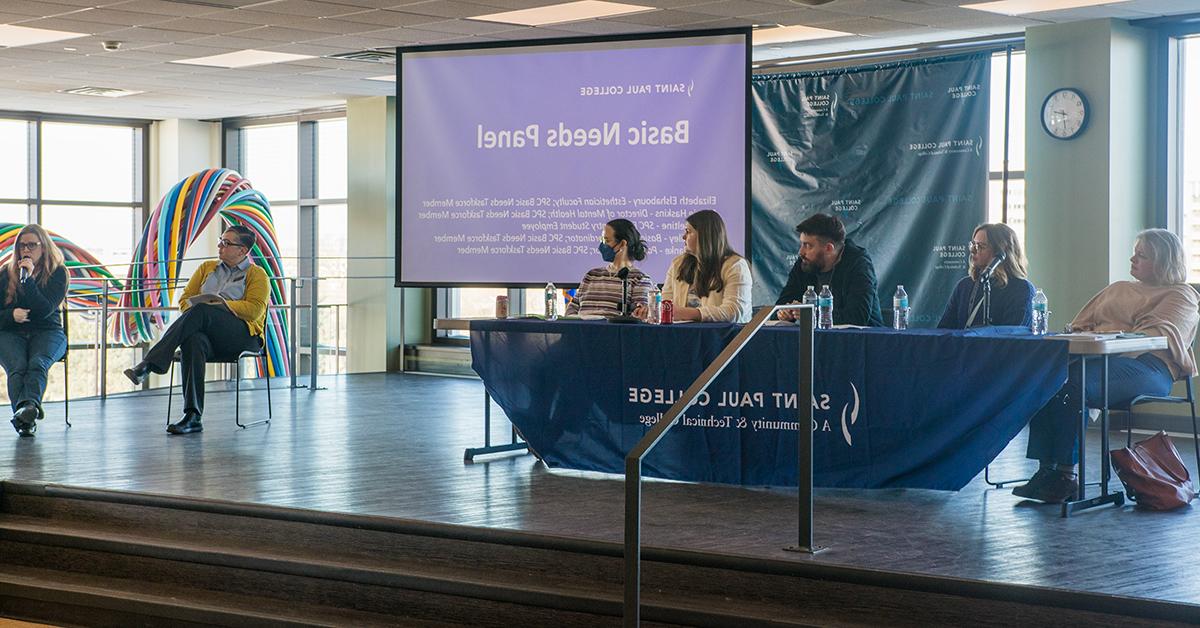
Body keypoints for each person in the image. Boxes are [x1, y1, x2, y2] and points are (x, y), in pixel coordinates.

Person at [1013, 229, 1199, 503]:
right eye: (1134, 252)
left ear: (1163, 261)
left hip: (1152, 368)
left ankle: (1066, 476)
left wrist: (1112, 332)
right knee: (1051, 379)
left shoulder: (1181, 295)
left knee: (1074, 384)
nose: (1132, 259)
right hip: (1103, 361)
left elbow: (1156, 337)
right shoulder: (1118, 289)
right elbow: (1080, 325)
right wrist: (1115, 332)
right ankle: (1046, 471)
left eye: (1142, 255)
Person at [124, 225, 268, 435]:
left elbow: (254, 310)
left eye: (227, 243)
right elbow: (184, 301)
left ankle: (149, 363)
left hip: (242, 336)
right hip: (209, 334)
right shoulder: (206, 268)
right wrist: (205, 308)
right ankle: (193, 417)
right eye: (221, 240)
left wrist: (222, 306)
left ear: (242, 251)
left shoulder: (257, 274)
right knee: (193, 340)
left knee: (201, 310)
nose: (220, 245)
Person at [0, 225, 68, 437]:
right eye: (22, 246)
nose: (26, 250)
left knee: (38, 363)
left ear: (44, 247)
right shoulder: (4, 273)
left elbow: (44, 310)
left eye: (32, 245)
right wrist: (11, 315)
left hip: (48, 331)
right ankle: (26, 416)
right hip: (11, 331)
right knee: (17, 366)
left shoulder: (58, 273)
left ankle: (26, 413)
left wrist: (27, 279)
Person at [776, 213, 883, 326]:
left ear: (828, 248)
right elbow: (780, 305)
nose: (801, 252)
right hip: (815, 338)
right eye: (802, 244)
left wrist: (811, 315)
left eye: (807, 245)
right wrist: (785, 313)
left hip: (862, 339)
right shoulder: (805, 262)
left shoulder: (859, 264)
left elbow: (857, 317)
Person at [653, 210, 751, 323]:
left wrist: (686, 313)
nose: (683, 237)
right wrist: (653, 310)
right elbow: (666, 302)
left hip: (724, 337)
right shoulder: (678, 264)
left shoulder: (735, 265)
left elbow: (734, 311)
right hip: (681, 334)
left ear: (704, 235)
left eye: (688, 231)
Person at [938, 223, 1035, 329]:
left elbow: (1013, 338)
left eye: (980, 246)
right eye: (973, 245)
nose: (973, 251)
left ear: (1001, 253)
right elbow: (943, 332)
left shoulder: (1022, 289)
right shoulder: (964, 286)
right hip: (962, 346)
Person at [565, 219, 654, 318]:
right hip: (581, 331)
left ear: (622, 244)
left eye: (607, 241)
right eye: (602, 240)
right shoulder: (592, 275)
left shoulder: (640, 279)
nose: (602, 246)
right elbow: (572, 310)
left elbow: (638, 316)